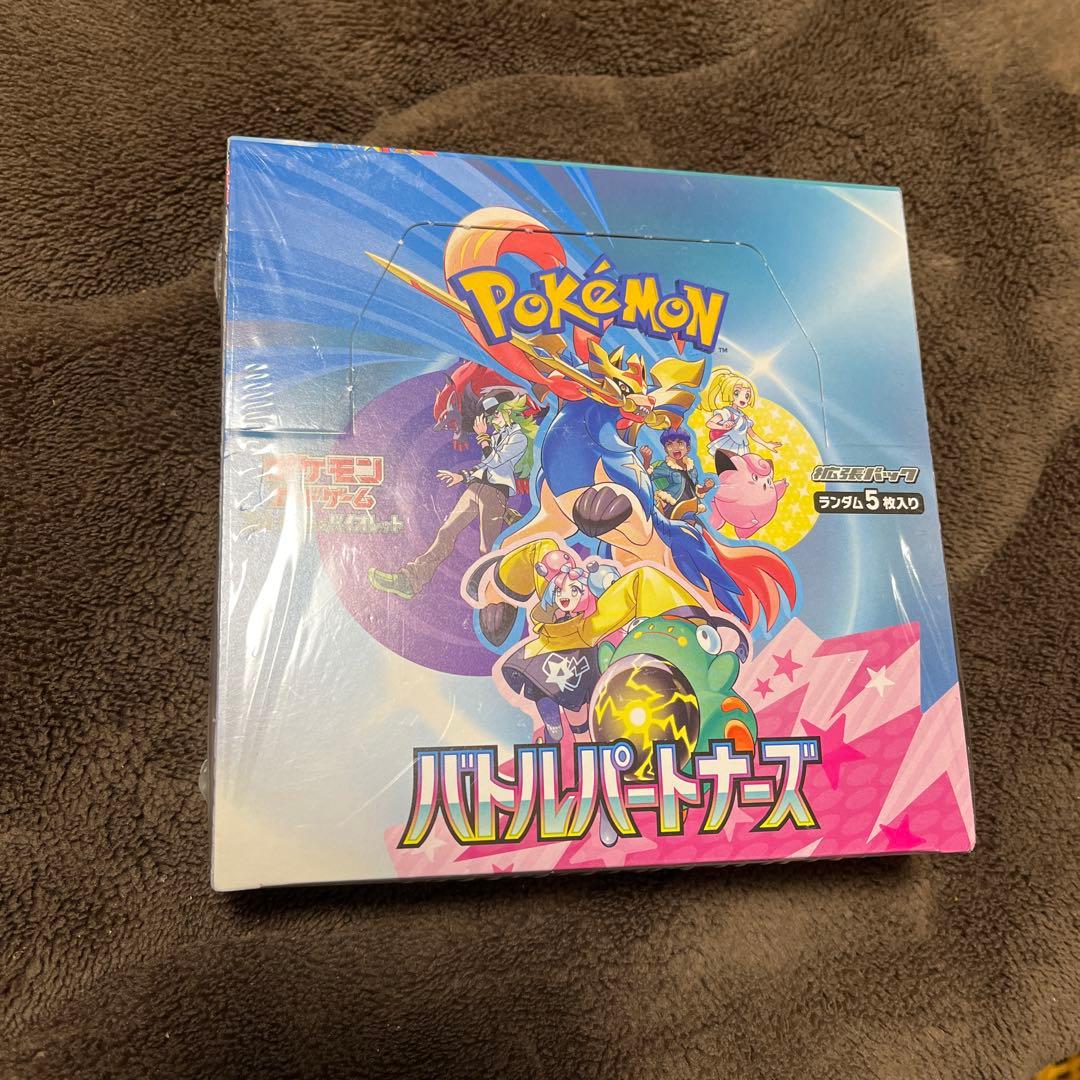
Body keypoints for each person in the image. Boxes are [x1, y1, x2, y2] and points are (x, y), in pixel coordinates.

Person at [368, 395, 536, 600]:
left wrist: (483, 438)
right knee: (446, 532)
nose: (492, 420)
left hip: (494, 492)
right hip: (476, 488)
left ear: (508, 411)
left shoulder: (518, 438)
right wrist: (461, 476)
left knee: (487, 547)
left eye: (496, 415)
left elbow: (496, 461)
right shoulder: (496, 438)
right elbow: (484, 467)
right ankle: (410, 580)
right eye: (490, 416)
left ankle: (500, 592)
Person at [701, 367, 782, 457]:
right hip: (727, 444)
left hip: (741, 447)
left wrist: (766, 444)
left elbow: (752, 434)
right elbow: (709, 423)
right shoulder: (727, 412)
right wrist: (722, 427)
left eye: (747, 395)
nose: (743, 398)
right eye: (737, 393)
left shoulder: (744, 417)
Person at [649, 428, 714, 520]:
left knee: (694, 524)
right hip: (673, 505)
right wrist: (647, 460)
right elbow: (648, 475)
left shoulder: (691, 469)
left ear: (688, 448)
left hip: (689, 505)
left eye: (680, 443)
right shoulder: (667, 467)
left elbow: (695, 489)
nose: (675, 448)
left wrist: (706, 488)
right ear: (666, 450)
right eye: (669, 444)